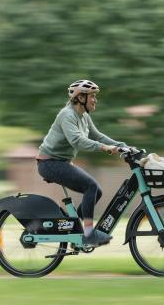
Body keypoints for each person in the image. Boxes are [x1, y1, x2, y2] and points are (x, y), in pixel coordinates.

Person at [36, 79, 125, 247]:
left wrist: (123, 146)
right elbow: (77, 141)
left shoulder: (83, 116)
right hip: (49, 163)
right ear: (81, 97)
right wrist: (105, 148)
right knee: (90, 186)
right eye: (92, 96)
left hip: (61, 162)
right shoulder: (66, 115)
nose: (95, 100)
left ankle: (75, 228)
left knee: (96, 191)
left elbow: (98, 136)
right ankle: (88, 234)